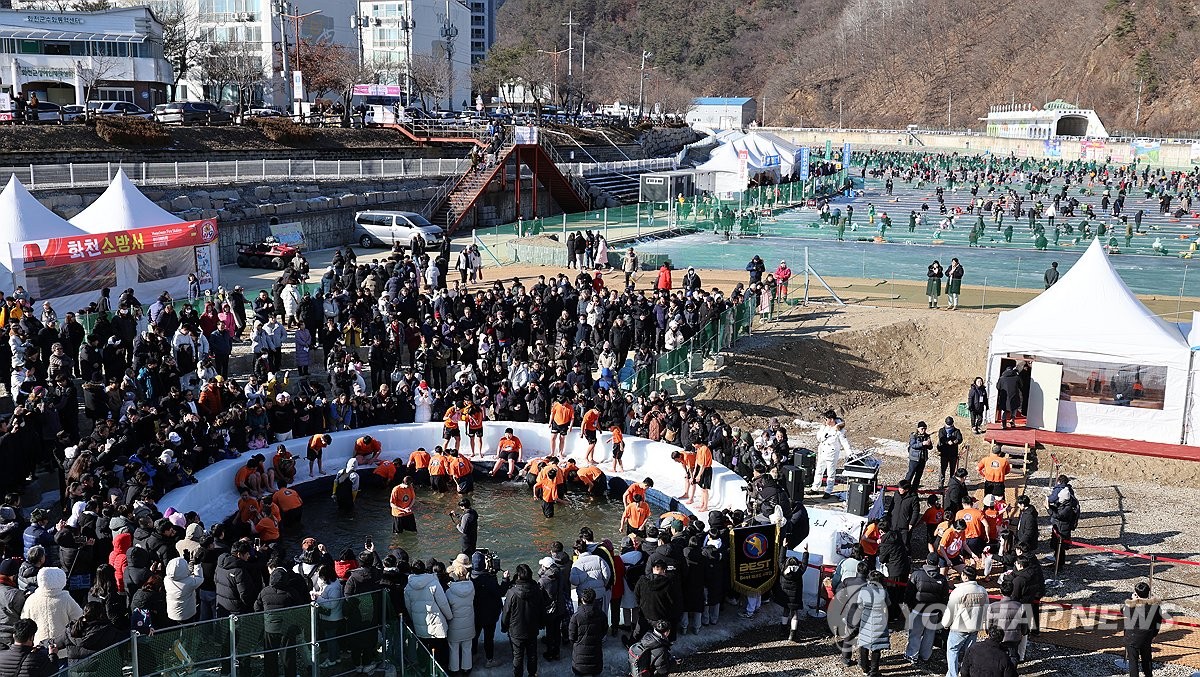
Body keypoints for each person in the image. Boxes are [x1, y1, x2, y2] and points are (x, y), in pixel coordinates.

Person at [404, 560, 453, 667]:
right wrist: (449, 617)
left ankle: (426, 669)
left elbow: (409, 607)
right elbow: (443, 603)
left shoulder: (408, 586)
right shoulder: (433, 582)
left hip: (420, 624)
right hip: (436, 623)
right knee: (441, 652)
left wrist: (415, 619)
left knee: (425, 651)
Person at [942, 566, 989, 677]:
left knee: (953, 650)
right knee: (968, 652)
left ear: (965, 576)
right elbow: (986, 609)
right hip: (975, 627)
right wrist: (985, 624)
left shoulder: (958, 591)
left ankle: (952, 674)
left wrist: (945, 624)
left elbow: (951, 610)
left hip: (959, 627)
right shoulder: (982, 591)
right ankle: (965, 673)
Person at [904, 553, 949, 666]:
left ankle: (912, 655)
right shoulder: (942, 579)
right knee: (929, 634)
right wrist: (941, 611)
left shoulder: (917, 575)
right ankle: (925, 655)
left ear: (926, 561)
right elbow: (944, 597)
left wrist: (909, 605)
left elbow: (909, 592)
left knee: (915, 634)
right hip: (933, 611)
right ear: (938, 564)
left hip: (917, 609)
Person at [501, 564, 544, 677]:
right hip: (532, 628)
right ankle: (532, 674)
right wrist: (541, 624)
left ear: (518, 576)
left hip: (516, 630)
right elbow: (541, 608)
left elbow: (506, 612)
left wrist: (504, 626)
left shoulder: (512, 592)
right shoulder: (536, 589)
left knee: (518, 656)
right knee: (532, 654)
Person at [1123, 581, 1162, 677]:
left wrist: (1133, 600)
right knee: (1147, 660)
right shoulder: (1155, 607)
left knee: (1133, 662)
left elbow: (1123, 611)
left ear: (1136, 594)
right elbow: (1158, 622)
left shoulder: (1129, 607)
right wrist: (1154, 634)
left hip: (1132, 638)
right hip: (1147, 637)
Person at [811, 409, 850, 497]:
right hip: (822, 453)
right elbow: (819, 437)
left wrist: (850, 454)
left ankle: (828, 491)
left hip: (831, 455)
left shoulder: (839, 430)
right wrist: (823, 436)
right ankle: (815, 488)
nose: (825, 421)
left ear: (831, 419)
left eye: (826, 419)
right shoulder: (824, 427)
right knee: (818, 471)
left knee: (830, 473)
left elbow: (845, 442)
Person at [569, 586, 606, 676]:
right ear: (594, 599)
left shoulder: (576, 616)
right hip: (595, 659)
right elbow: (604, 630)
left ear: (582, 599)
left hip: (579, 662)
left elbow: (572, 636)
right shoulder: (601, 614)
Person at [1047, 475, 1079, 568]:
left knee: (1060, 548)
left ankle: (1058, 565)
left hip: (1062, 528)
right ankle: (1057, 563)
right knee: (1059, 548)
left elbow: (1059, 515)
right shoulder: (1066, 502)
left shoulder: (1067, 507)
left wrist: (1048, 508)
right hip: (1061, 527)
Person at [906, 421, 932, 488]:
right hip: (914, 459)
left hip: (922, 459)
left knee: (918, 476)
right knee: (910, 474)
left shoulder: (926, 436)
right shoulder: (914, 435)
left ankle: (914, 490)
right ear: (918, 428)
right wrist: (922, 444)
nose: (923, 430)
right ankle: (905, 489)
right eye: (922, 428)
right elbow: (913, 445)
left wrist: (929, 444)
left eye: (925, 429)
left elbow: (930, 447)